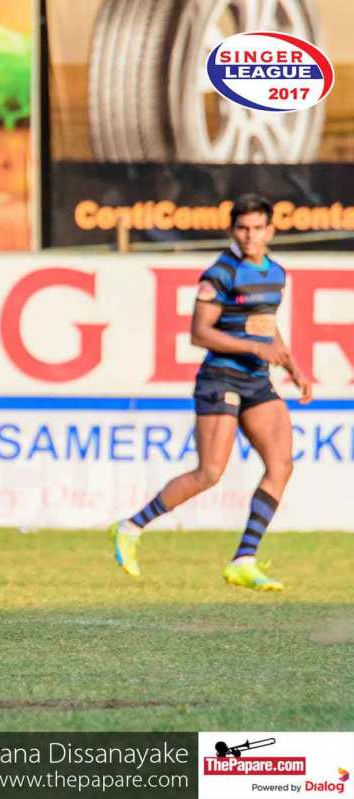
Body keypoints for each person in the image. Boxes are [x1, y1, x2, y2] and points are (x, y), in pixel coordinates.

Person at [110, 193, 312, 591]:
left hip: (258, 381)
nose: (250, 236)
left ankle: (244, 559)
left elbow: (266, 324)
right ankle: (131, 527)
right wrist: (256, 349)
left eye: (258, 228)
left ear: (271, 230)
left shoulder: (276, 273)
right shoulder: (220, 273)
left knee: (281, 465)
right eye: (243, 228)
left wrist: (293, 367)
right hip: (221, 379)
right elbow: (199, 333)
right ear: (231, 230)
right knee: (210, 473)